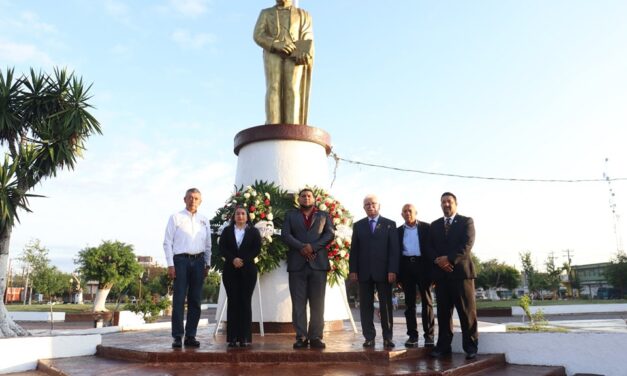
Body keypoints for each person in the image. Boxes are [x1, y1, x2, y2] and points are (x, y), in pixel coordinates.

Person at [282, 188, 334, 349]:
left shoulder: (324, 216)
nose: (306, 198)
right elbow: (286, 235)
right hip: (297, 266)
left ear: (314, 199)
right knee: (298, 304)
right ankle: (301, 337)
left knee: (318, 303)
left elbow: (329, 235)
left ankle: (316, 337)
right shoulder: (291, 215)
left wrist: (312, 247)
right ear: (299, 199)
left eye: (309, 196)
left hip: (318, 265)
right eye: (303, 196)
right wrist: (302, 247)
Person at [429, 192, 478, 360]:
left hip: (461, 275)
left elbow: (467, 244)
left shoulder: (466, 222)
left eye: (449, 201)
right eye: (443, 202)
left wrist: (448, 259)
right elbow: (429, 247)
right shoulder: (434, 225)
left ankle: (470, 347)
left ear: (455, 204)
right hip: (442, 277)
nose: (446, 205)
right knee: (443, 314)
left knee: (466, 312)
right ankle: (443, 346)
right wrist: (439, 260)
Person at [163, 188, 212, 348]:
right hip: (180, 261)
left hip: (199, 262)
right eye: (190, 197)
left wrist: (207, 263)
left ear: (200, 201)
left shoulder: (204, 220)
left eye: (196, 198)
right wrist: (170, 264)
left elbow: (208, 245)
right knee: (178, 299)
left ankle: (191, 335)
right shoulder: (175, 218)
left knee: (195, 300)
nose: (193, 200)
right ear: (184, 199)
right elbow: (167, 242)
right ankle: (177, 336)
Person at [349, 194, 400, 349]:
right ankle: (369, 337)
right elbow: (354, 250)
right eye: (367, 204)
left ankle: (387, 337)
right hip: (364, 272)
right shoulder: (358, 225)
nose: (370, 206)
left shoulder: (390, 224)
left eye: (373, 204)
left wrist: (392, 269)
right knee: (365, 306)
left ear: (379, 206)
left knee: (385, 306)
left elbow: (394, 250)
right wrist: (353, 270)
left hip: (384, 273)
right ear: (363, 208)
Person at [253, 0, 314, 125]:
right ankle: (273, 125)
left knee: (292, 88)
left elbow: (307, 36)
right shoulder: (266, 13)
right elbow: (258, 35)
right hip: (272, 53)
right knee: (273, 87)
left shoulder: (303, 15)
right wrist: (274, 44)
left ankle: (293, 127)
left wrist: (304, 52)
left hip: (295, 53)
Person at [220, 207, 262, 348]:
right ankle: (232, 337)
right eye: (237, 213)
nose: (240, 215)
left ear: (247, 216)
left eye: (243, 213)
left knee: (245, 302)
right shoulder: (227, 231)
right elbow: (222, 248)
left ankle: (244, 337)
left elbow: (256, 249)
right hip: (230, 270)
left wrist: (242, 259)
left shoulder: (253, 232)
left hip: (248, 270)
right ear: (234, 216)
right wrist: (233, 259)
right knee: (233, 302)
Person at [397, 203, 435, 348]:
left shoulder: (427, 228)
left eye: (410, 211)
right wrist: (399, 277)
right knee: (409, 304)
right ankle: (412, 336)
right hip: (406, 267)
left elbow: (433, 249)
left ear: (416, 212)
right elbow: (396, 254)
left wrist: (433, 274)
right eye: (405, 211)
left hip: (423, 267)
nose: (407, 213)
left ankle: (429, 336)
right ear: (402, 214)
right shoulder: (398, 231)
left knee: (427, 302)